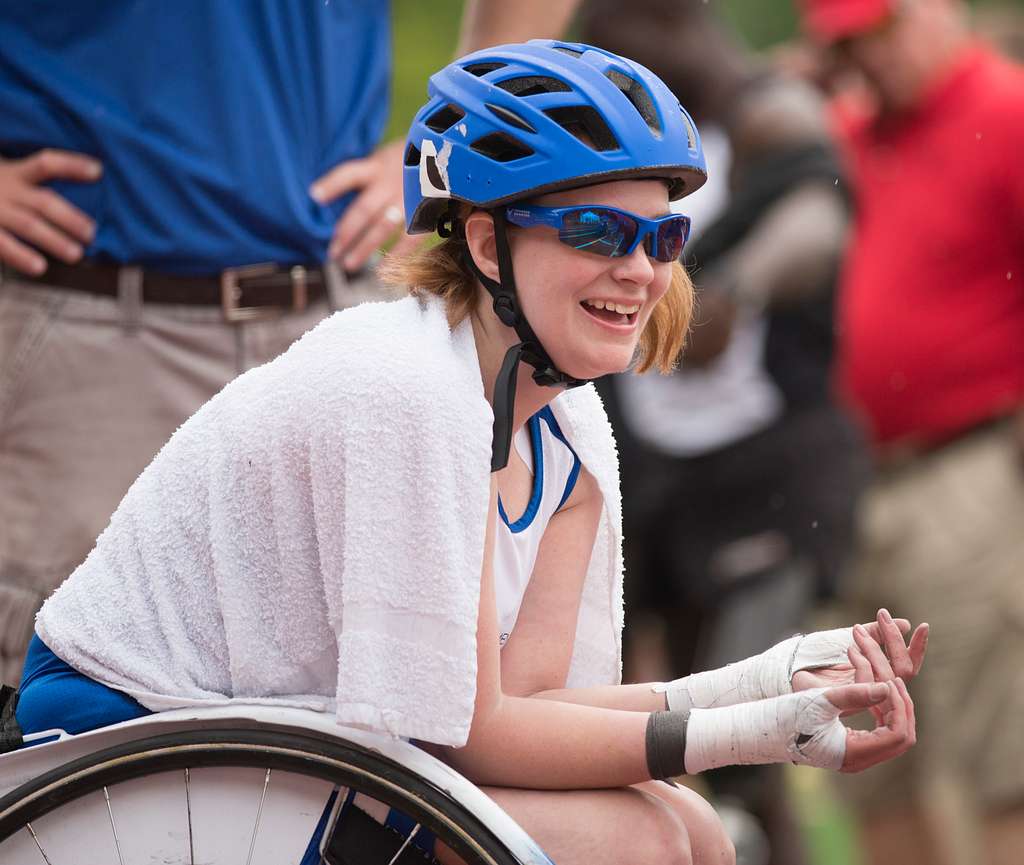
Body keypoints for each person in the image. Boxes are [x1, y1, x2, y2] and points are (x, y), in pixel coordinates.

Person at [5, 41, 925, 865]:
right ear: (486, 241)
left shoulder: (572, 425)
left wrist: (776, 679)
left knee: (693, 828)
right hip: (128, 746)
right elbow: (470, 741)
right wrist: (754, 729)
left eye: (663, 236)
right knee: (643, 839)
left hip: (284, 748)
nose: (641, 270)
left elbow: (527, 711)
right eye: (600, 232)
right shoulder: (402, 385)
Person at [0, 0, 583, 686]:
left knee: (389, 691)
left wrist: (452, 137)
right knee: (63, 700)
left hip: (339, 316)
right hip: (91, 329)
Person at [580, 2, 871, 862]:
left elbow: (818, 224)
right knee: (641, 731)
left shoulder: (767, 114)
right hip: (650, 479)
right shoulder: (605, 159)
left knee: (753, 735)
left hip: (767, 469)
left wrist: (730, 289)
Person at [794, 1, 1024, 864]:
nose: (867, 58)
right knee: (872, 755)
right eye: (847, 44)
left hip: (968, 470)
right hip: (853, 477)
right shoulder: (848, 132)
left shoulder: (1005, 111)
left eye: (880, 33)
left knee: (1006, 759)